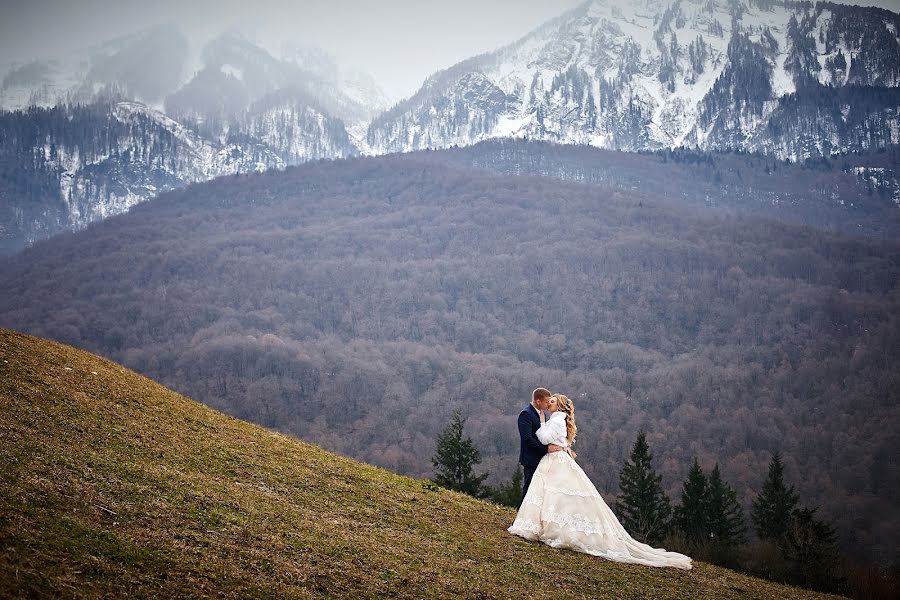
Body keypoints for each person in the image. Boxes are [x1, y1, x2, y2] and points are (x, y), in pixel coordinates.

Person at [509, 394, 692, 570]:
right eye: (549, 401)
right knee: (559, 494)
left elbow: (543, 437)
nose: (549, 403)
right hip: (556, 458)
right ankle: (552, 524)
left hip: (555, 459)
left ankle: (553, 527)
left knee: (555, 493)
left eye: (553, 401)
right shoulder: (559, 418)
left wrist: (541, 424)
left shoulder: (556, 419)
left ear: (560, 405)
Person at [517, 388, 562, 505]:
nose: (548, 404)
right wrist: (546, 449)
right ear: (538, 401)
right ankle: (521, 516)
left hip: (542, 458)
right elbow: (527, 439)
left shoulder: (542, 414)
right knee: (529, 487)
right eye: (546, 402)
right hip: (531, 458)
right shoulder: (526, 414)